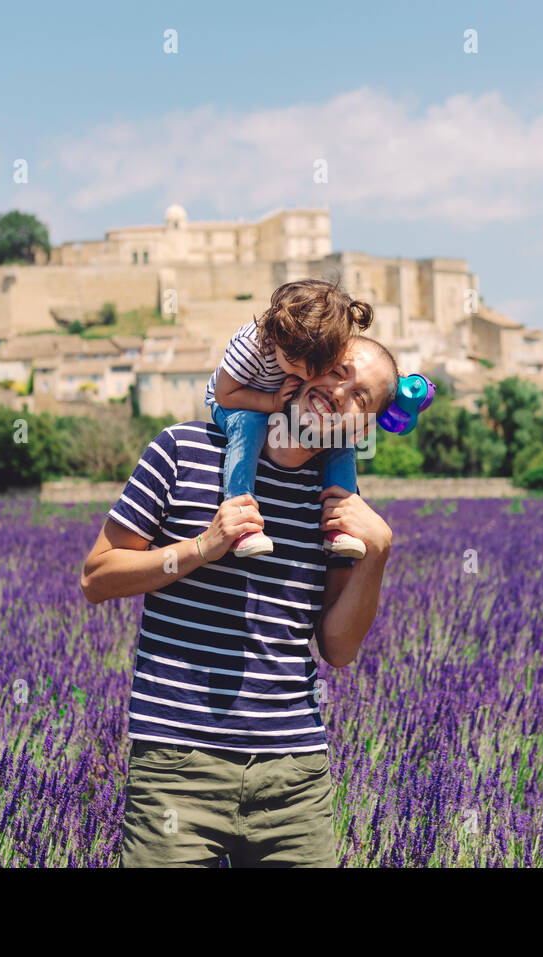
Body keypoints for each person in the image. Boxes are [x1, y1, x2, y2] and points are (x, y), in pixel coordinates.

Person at [80, 336, 399, 867]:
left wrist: (378, 553)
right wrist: (201, 549)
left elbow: (338, 649)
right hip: (176, 766)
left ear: (362, 429)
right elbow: (97, 577)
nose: (339, 391)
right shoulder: (182, 450)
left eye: (361, 396)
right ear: (307, 364)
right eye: (337, 370)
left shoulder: (340, 509)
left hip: (295, 776)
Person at [205, 278, 373, 560]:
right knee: (251, 423)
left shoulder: (320, 342)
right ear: (277, 337)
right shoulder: (251, 347)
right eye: (296, 366)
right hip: (238, 402)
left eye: (316, 369)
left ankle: (340, 524)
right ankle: (241, 517)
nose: (308, 376)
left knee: (338, 438)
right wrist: (270, 403)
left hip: (279, 399)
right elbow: (225, 395)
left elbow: (365, 366)